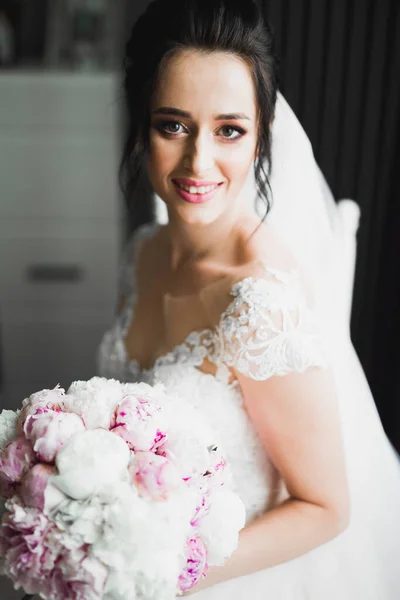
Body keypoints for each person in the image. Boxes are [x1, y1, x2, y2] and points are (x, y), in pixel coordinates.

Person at [97, 0, 400, 598]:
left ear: (262, 135)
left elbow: (325, 508)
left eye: (229, 130)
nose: (197, 162)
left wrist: (152, 568)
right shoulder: (142, 253)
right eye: (173, 125)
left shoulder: (259, 302)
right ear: (141, 125)